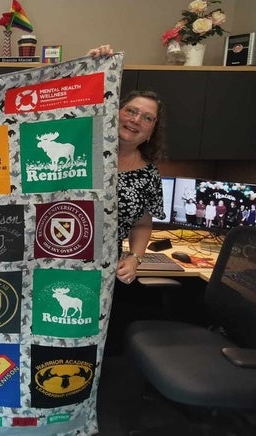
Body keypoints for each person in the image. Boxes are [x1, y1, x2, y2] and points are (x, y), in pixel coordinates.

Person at [89, 45, 168, 353]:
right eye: (131, 111)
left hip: (109, 271)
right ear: (115, 111)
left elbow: (142, 224)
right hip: (59, 261)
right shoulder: (85, 151)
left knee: (103, 348)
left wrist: (135, 259)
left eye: (147, 118)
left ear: (151, 131)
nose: (136, 120)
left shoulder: (149, 174)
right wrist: (94, 66)